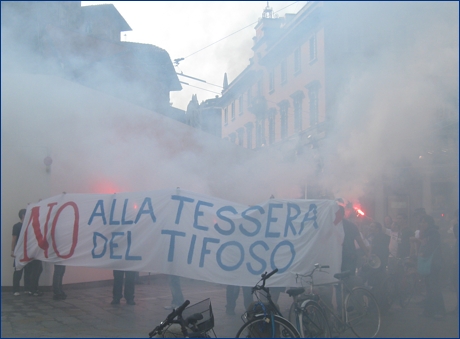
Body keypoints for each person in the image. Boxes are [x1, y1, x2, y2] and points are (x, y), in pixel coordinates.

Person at [418, 214, 446, 319]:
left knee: (433, 287)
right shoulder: (429, 232)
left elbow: (430, 246)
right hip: (431, 263)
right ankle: (429, 311)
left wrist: (423, 253)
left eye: (424, 222)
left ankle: (439, 311)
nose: (422, 224)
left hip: (433, 263)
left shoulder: (432, 232)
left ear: (429, 223)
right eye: (421, 222)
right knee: (429, 287)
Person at [11, 209, 28, 296]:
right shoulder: (17, 226)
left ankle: (27, 289)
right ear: (23, 216)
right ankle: (15, 290)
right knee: (18, 270)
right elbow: (14, 238)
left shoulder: (29, 226)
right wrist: (12, 250)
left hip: (28, 251)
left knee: (28, 271)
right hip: (19, 252)